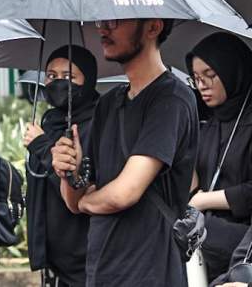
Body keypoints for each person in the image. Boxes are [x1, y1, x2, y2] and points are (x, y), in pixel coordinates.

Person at [51, 19, 199, 287]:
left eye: (115, 21)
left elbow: (123, 193)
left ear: (153, 27)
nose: (103, 29)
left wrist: (86, 203)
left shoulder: (172, 99)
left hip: (150, 269)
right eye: (101, 21)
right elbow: (74, 200)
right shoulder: (109, 102)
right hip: (102, 264)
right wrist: (69, 172)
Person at [24, 45, 100, 287]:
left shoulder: (98, 122)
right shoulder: (50, 121)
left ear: (87, 80)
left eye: (68, 77)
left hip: (85, 256)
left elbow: (81, 184)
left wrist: (42, 147)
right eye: (51, 76)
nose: (57, 83)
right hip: (55, 259)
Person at [186, 33, 252, 281]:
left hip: (242, 244)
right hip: (206, 244)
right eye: (196, 78)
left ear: (232, 70)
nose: (202, 85)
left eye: (210, 75)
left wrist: (205, 201)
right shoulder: (208, 124)